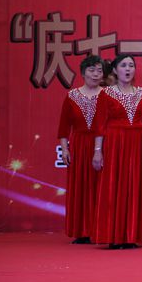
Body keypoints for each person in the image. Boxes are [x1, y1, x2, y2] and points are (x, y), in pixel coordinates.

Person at [92, 54, 142, 249]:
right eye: (123, 65)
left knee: (135, 186)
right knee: (113, 186)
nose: (128, 69)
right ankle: (113, 235)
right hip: (114, 143)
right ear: (115, 70)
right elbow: (100, 125)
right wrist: (97, 151)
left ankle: (131, 235)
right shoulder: (106, 94)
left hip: (137, 143)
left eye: (131, 66)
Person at [57, 55, 105, 244]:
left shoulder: (108, 95)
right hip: (79, 145)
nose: (96, 74)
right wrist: (65, 149)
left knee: (101, 186)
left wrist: (100, 148)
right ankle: (82, 231)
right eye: (92, 70)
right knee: (81, 187)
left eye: (99, 70)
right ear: (83, 73)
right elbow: (63, 128)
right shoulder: (72, 96)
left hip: (103, 145)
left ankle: (101, 229)